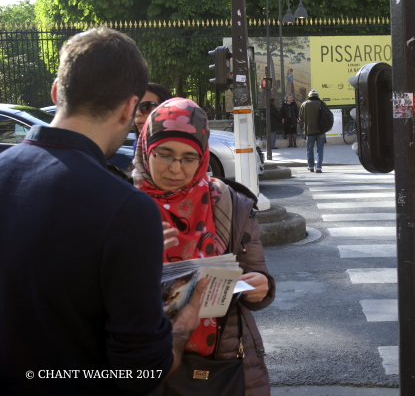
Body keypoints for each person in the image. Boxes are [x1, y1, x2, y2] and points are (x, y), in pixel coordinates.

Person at [0, 27, 208, 396]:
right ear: (130, 107)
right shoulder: (127, 208)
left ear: (55, 91)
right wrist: (182, 326)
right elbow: (140, 372)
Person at [132, 98, 276, 395]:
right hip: (143, 361)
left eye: (189, 158)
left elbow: (257, 282)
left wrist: (261, 288)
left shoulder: (230, 205)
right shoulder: (121, 206)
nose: (175, 168)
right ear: (147, 148)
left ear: (203, 158)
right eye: (165, 154)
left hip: (218, 363)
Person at [133, 83, 173, 152]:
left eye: (146, 107)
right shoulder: (137, 146)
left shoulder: (183, 147)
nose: (137, 113)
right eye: (134, 107)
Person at [300, 89, 326, 173]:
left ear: (309, 96)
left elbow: (301, 118)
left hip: (309, 130)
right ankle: (319, 167)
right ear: (317, 96)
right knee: (320, 149)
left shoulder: (304, 104)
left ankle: (311, 166)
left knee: (309, 149)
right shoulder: (322, 103)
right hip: (321, 130)